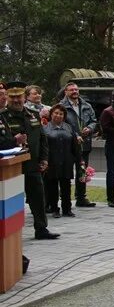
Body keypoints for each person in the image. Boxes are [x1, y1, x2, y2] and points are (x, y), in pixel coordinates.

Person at [2, 81, 58, 239]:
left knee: (38, 198)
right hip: (12, 167)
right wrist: (14, 141)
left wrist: (45, 159)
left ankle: (41, 229)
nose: (16, 100)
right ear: (7, 98)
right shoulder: (3, 117)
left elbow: (42, 139)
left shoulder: (32, 114)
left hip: (32, 164)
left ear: (24, 97)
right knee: (13, 202)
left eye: (18, 97)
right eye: (12, 97)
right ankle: (12, 234)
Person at [60, 81, 98, 207]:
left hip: (84, 144)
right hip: (68, 145)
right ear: (66, 92)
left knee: (82, 171)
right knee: (66, 172)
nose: (74, 92)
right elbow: (61, 124)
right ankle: (65, 199)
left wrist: (90, 129)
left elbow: (94, 121)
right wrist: (74, 135)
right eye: (71, 90)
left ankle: (81, 197)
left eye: (76, 90)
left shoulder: (86, 105)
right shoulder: (61, 107)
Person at [43, 104, 80, 218]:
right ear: (51, 114)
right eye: (56, 113)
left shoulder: (69, 127)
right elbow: (43, 147)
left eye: (61, 114)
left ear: (64, 116)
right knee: (52, 187)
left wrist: (80, 160)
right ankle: (55, 209)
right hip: (52, 162)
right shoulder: (45, 128)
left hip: (66, 161)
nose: (58, 115)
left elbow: (75, 146)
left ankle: (67, 209)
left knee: (66, 187)